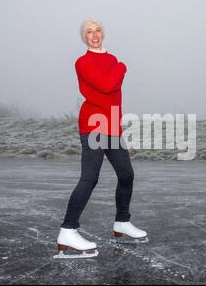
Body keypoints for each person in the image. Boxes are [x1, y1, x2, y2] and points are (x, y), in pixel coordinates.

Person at [55, 19, 147, 259]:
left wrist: (117, 67)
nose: (94, 35)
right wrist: (123, 67)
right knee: (90, 178)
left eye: (97, 31)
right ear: (83, 37)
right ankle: (67, 229)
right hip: (93, 124)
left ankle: (122, 222)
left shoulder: (111, 59)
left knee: (126, 174)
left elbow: (113, 96)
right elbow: (107, 86)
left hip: (112, 126)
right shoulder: (83, 62)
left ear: (102, 34)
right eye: (88, 32)